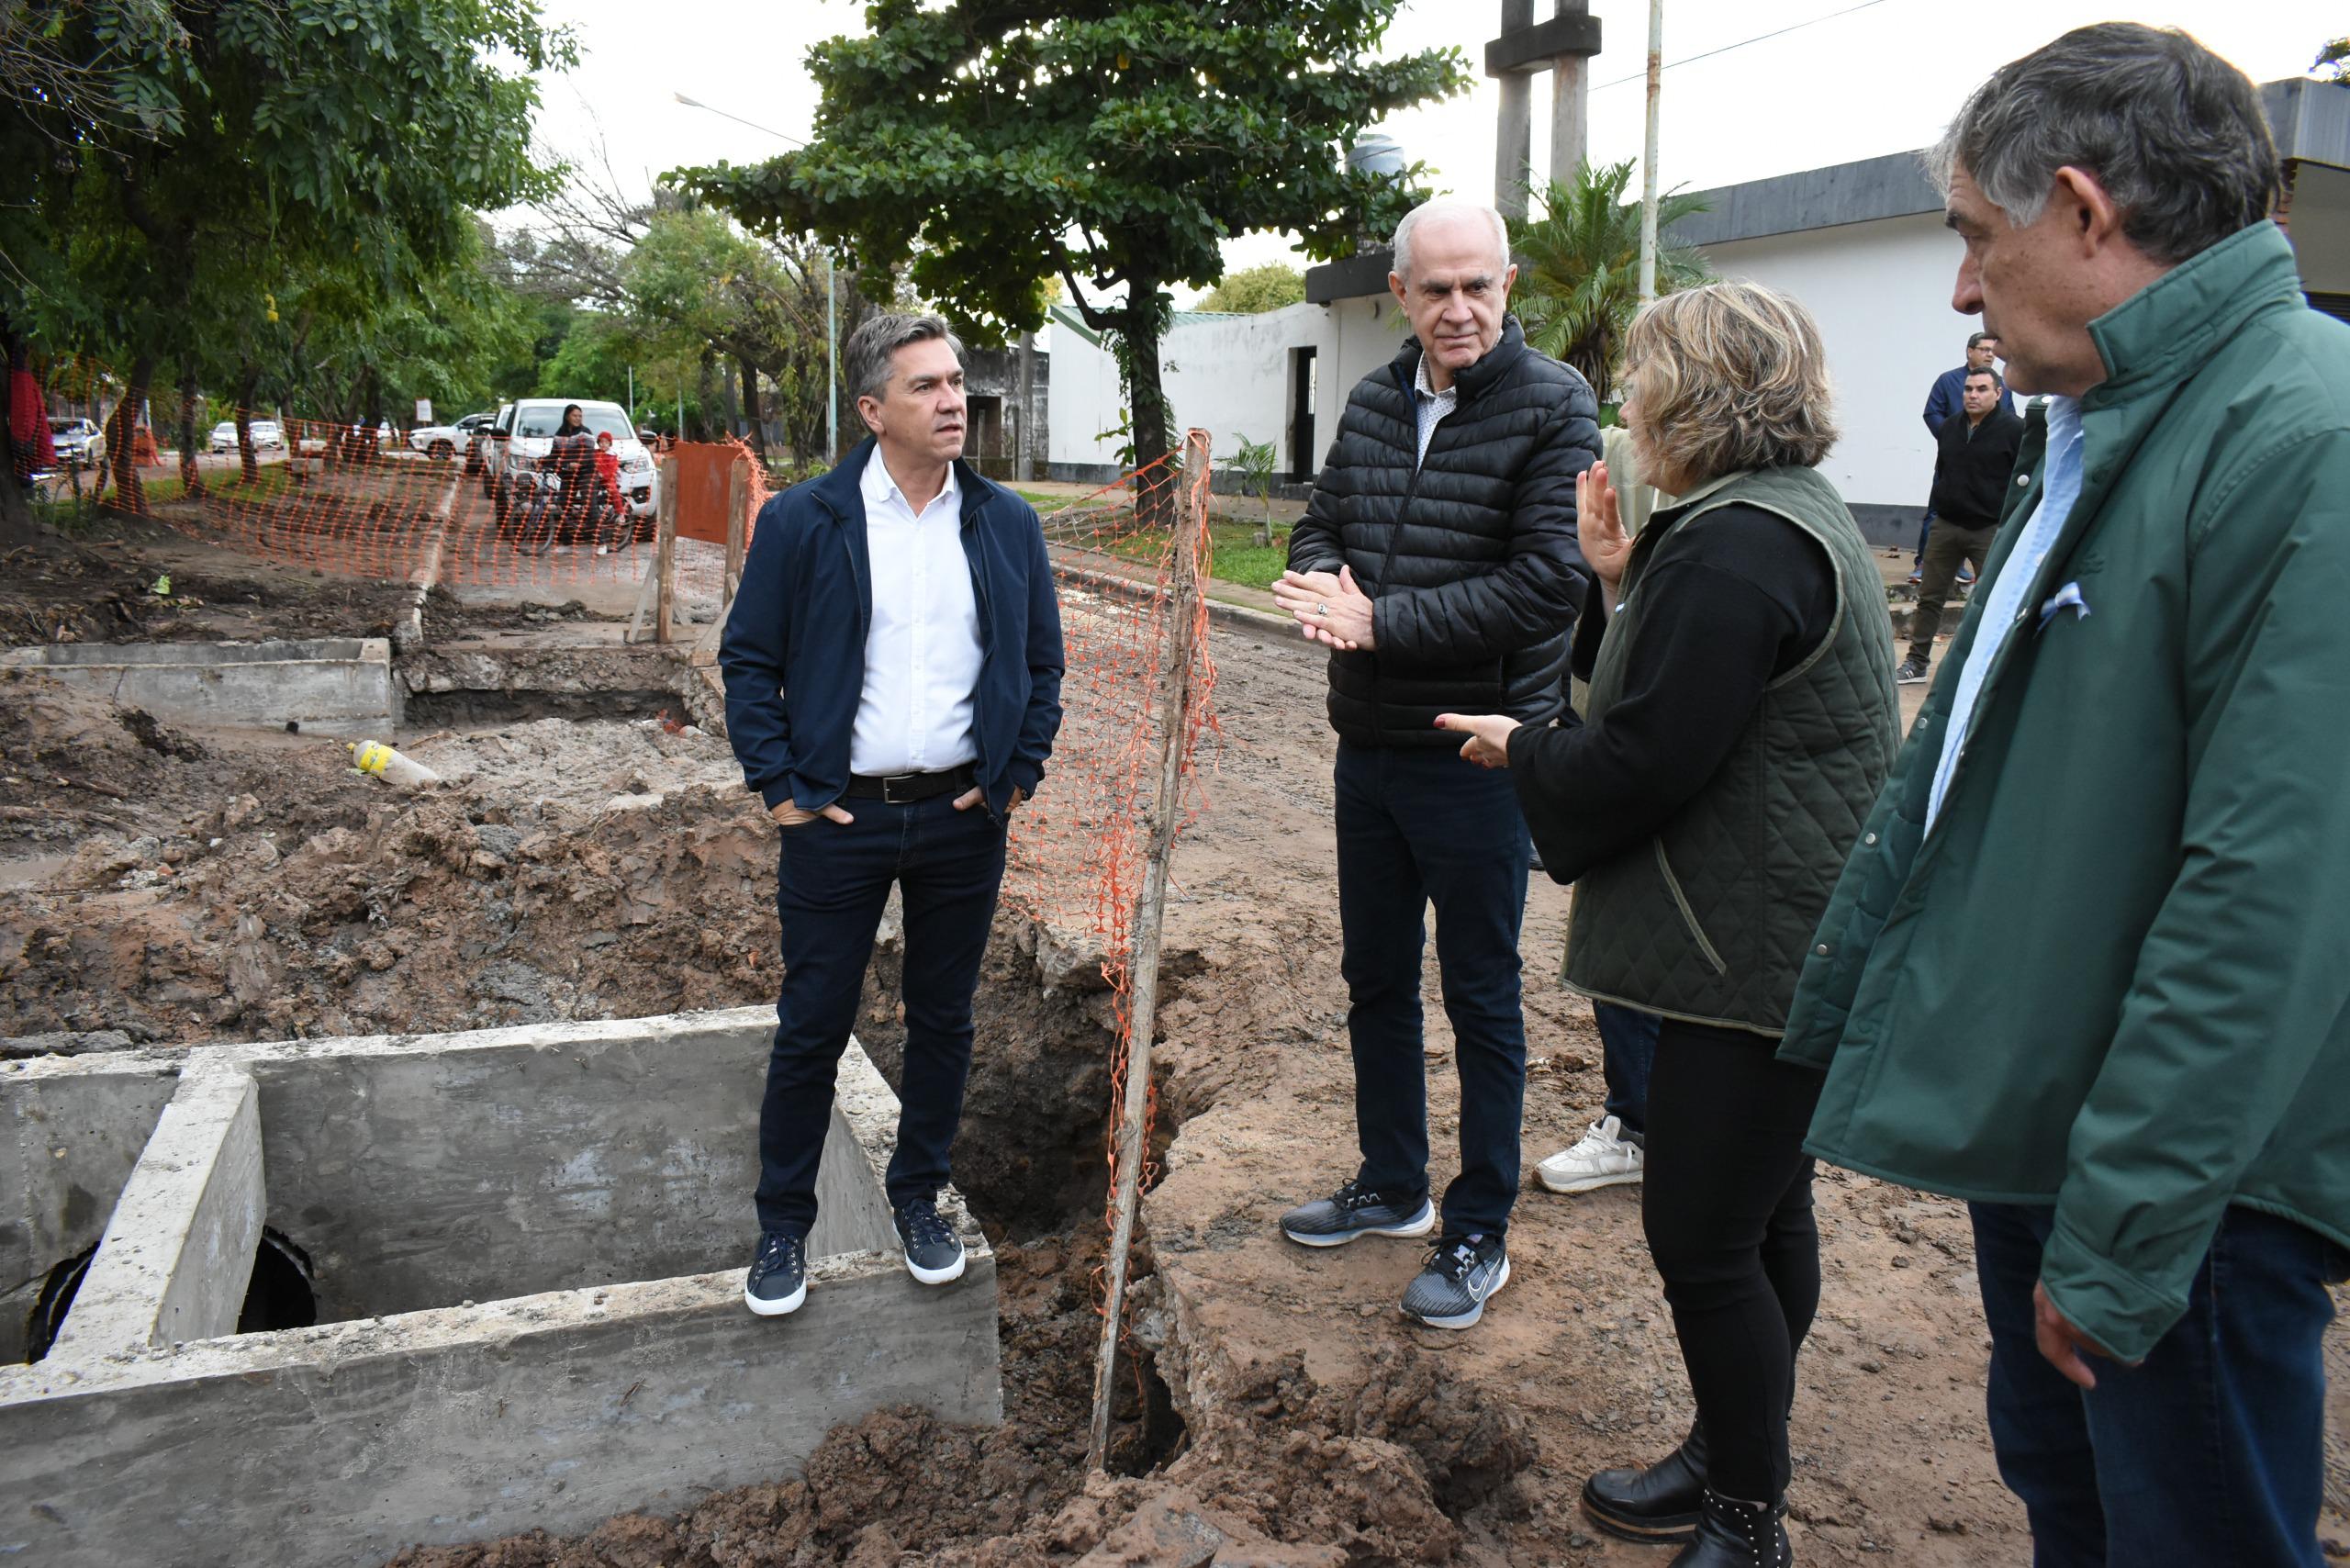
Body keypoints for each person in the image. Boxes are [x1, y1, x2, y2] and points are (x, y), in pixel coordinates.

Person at [1784, 25, 2350, 1567]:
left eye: (1976, 236)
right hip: (2069, 1126)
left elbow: (2271, 885)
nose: (1962, 288)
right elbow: (1971, 761)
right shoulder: (2104, 421)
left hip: (2186, 1193)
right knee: (2078, 1508)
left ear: (2086, 213)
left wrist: (2125, 1230)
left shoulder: (2302, 437)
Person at [1443, 281, 1899, 1567]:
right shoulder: (1765, 521)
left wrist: (1523, 747)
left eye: (1638, 382)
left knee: (1703, 1238)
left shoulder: (1735, 544)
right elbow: (1665, 682)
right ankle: (1730, 1454)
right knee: (1764, 1220)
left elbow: (1644, 754)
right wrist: (1611, 579)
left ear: (1697, 399)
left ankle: (1747, 1517)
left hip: (1747, 954)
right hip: (1784, 938)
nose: (1621, 406)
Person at [1267, 196, 1597, 1330]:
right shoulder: (1369, 401)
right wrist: (1322, 590)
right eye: (1436, 289)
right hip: (1371, 746)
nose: (1458, 310)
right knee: (1372, 979)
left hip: (1479, 752)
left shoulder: (1556, 407)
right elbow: (1322, 522)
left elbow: (1548, 581)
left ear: (1508, 287)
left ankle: (1479, 1225)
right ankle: (1394, 1183)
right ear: (1399, 294)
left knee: (1479, 994)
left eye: (1479, 286)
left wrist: (1382, 621)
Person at [718, 312, 1065, 1319]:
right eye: (925, 386)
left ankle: (921, 1196)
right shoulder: (804, 521)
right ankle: (784, 1222)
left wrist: (1014, 776)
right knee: (813, 1021)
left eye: (955, 382)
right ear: (872, 410)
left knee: (944, 1019)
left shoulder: (1005, 523)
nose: (953, 400)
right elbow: (750, 661)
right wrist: (780, 784)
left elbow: (1041, 663)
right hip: (837, 818)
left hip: (963, 814)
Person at [1537, 422, 1665, 1197]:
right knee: (1620, 920)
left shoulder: (1740, 519)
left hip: (1638, 733)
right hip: (1605, 703)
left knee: (1629, 920)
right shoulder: (1618, 451)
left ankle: (1647, 1122)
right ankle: (1644, 1117)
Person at [1896, 366, 2022, 683]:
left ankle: (1991, 667)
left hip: (1989, 529)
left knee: (1995, 599)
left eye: (1981, 389)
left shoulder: (2015, 429)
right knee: (1930, 597)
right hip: (1947, 526)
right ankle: (1916, 663)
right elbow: (1943, 471)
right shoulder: (1951, 427)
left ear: (1998, 394)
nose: (1973, 395)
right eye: (1968, 389)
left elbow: (2026, 480)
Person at [1911, 330, 2013, 579]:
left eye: (1993, 350)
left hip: (1987, 465)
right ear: (1970, 351)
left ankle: (1967, 567)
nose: (1990, 355)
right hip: (1953, 460)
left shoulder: (2001, 386)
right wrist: (1952, 441)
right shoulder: (1948, 381)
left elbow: (2010, 419)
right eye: (1984, 349)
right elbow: (1932, 413)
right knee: (1939, 508)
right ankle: (1925, 563)